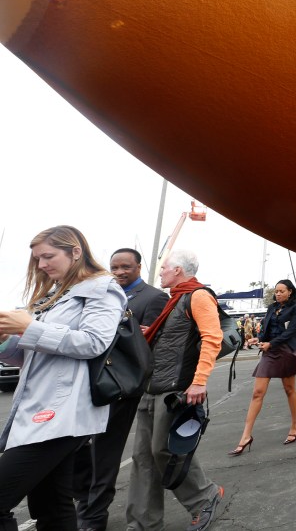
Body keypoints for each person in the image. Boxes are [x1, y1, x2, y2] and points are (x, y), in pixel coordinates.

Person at [0, 226, 124, 531]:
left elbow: (94, 342)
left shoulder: (101, 289)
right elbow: (34, 357)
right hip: (42, 413)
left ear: (75, 252)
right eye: (37, 259)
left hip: (62, 414)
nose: (41, 264)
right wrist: (6, 340)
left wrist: (29, 327)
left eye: (47, 256)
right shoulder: (55, 295)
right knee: (51, 506)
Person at [125, 250, 224, 531]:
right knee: (143, 458)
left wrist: (199, 381)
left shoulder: (199, 296)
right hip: (152, 387)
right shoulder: (177, 299)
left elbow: (212, 339)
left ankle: (205, 496)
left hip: (174, 390)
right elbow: (175, 339)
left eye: (164, 267)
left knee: (164, 451)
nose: (160, 272)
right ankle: (143, 522)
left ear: (178, 270)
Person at [73, 247, 169, 531]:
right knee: (78, 448)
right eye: (114, 267)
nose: (119, 272)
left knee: (105, 453)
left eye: (126, 267)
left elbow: (151, 345)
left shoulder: (154, 297)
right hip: (91, 384)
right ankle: (84, 499)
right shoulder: (103, 295)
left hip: (122, 385)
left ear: (139, 266)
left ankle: (92, 517)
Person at [229, 279, 296, 456]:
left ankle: (295, 425)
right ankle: (246, 436)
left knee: (289, 390)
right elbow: (266, 328)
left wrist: (270, 343)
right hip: (269, 351)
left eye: (281, 291)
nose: (278, 294)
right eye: (276, 291)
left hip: (286, 350)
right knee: (257, 393)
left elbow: (291, 331)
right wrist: (259, 338)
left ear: (290, 292)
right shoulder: (272, 307)